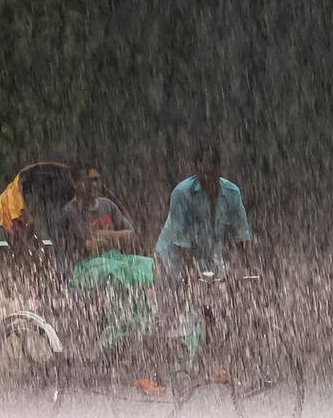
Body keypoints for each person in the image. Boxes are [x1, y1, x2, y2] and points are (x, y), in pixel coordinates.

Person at [153, 141, 252, 375]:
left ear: (219, 169)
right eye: (202, 170)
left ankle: (209, 361)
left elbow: (242, 237)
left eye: (212, 170)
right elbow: (180, 242)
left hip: (208, 257)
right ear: (196, 169)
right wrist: (190, 277)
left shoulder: (232, 193)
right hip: (172, 258)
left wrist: (246, 270)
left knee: (214, 308)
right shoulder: (182, 193)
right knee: (172, 312)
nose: (207, 175)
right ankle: (163, 368)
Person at [56, 164, 138, 271]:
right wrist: (115, 240)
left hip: (116, 265)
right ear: (75, 184)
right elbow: (73, 249)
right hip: (86, 270)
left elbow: (132, 236)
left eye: (96, 180)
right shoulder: (69, 213)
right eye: (88, 181)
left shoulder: (109, 206)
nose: (94, 184)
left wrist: (106, 236)